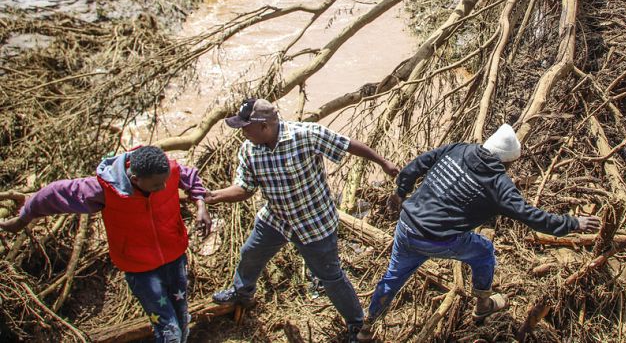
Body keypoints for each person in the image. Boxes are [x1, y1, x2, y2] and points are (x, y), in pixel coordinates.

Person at [357, 125, 602, 341]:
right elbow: (533, 217)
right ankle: (483, 304)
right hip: (437, 240)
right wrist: (572, 223)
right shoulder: (499, 185)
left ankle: (366, 326)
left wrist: (400, 192)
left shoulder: (459, 149)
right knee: (484, 251)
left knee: (393, 277)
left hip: (407, 226)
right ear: (508, 163)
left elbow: (419, 164)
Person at [205, 98, 399, 343]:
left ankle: (356, 325)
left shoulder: (305, 135)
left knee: (330, 277)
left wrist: (383, 162)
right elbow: (245, 188)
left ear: (264, 126)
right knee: (250, 252)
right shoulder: (249, 149)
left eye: (245, 126)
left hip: (313, 222)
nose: (242, 132)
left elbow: (347, 144)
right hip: (276, 218)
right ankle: (242, 293)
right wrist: (216, 195)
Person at [0, 146, 212, 343]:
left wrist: (200, 205)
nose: (164, 186)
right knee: (169, 330)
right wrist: (21, 220)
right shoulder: (105, 189)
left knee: (182, 319)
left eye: (165, 181)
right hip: (140, 269)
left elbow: (189, 176)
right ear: (136, 179)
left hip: (174, 257)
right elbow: (53, 194)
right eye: (157, 185)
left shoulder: (166, 169)